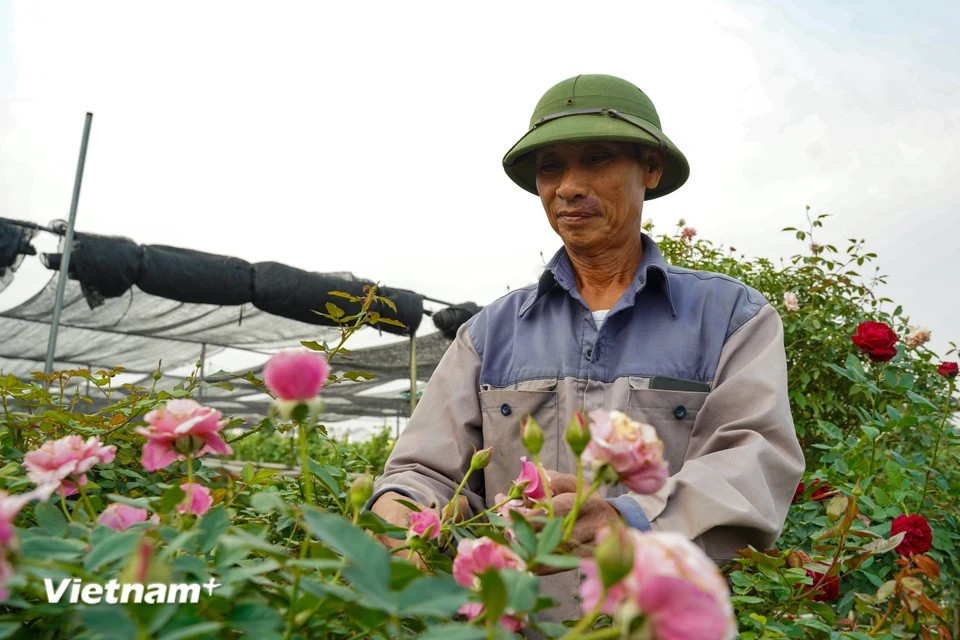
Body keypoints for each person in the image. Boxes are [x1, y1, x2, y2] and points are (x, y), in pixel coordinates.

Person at [369, 73, 805, 619]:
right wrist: (401, 509)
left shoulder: (730, 319)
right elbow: (425, 469)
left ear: (651, 167)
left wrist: (626, 521)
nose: (569, 187)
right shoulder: (489, 334)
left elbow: (753, 464)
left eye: (596, 159)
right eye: (551, 167)